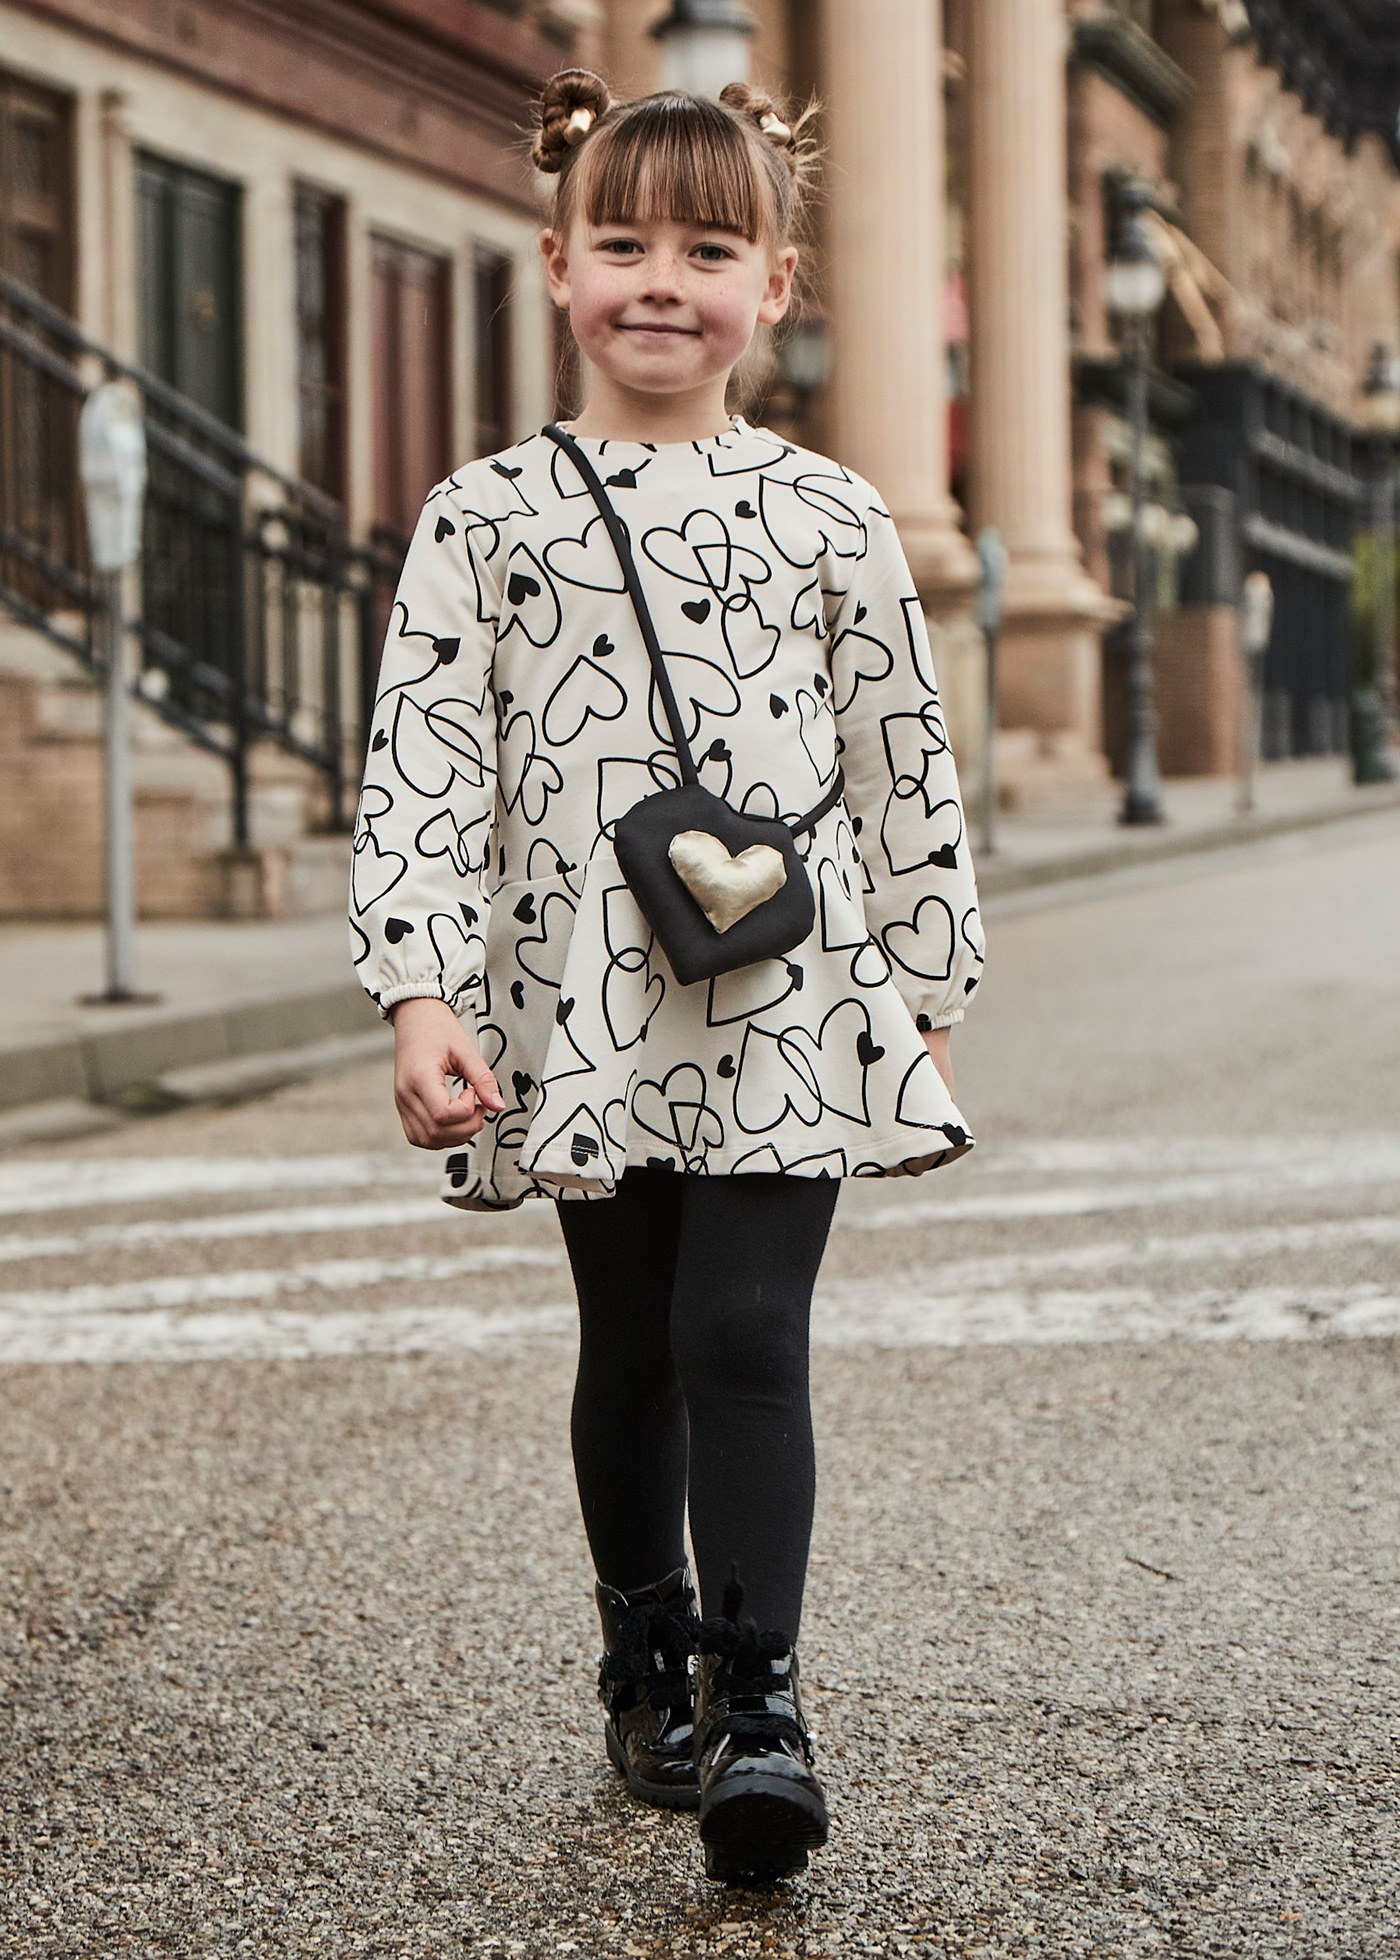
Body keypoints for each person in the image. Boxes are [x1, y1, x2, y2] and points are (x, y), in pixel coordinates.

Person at [349, 66, 985, 1886]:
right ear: (555, 264)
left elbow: (901, 753)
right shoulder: (482, 520)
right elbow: (424, 768)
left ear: (773, 289)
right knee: (632, 1341)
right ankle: (647, 1652)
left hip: (787, 992)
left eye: (709, 249)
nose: (660, 279)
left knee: (741, 1333)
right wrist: (420, 992)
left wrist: (926, 974)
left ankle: (761, 1698)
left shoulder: (838, 517)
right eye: (621, 241)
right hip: (584, 1005)